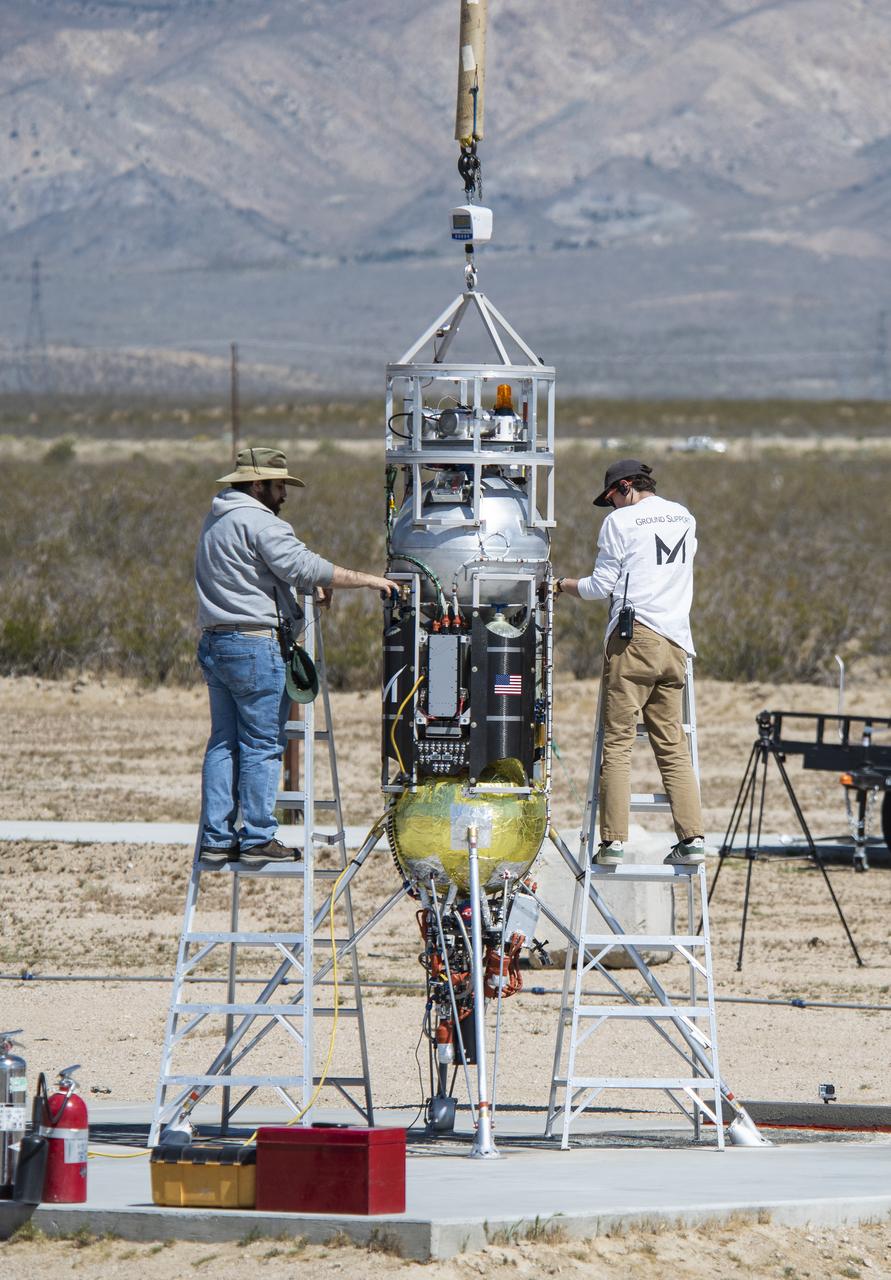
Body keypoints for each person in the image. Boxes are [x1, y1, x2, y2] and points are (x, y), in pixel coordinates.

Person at [195, 446, 392, 869]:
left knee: (224, 742)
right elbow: (302, 565)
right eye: (279, 484)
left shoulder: (216, 520)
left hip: (216, 643)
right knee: (263, 744)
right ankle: (258, 837)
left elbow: (256, 577)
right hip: (254, 647)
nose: (284, 493)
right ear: (257, 484)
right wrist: (369, 581)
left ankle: (216, 836)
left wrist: (295, 594)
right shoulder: (259, 522)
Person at [553, 459, 705, 867]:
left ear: (625, 488)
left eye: (611, 499)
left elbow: (599, 587)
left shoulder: (620, 524)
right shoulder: (684, 517)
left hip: (634, 639)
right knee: (673, 745)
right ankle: (692, 839)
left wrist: (560, 585)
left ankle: (613, 842)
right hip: (676, 643)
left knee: (618, 743)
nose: (612, 507)